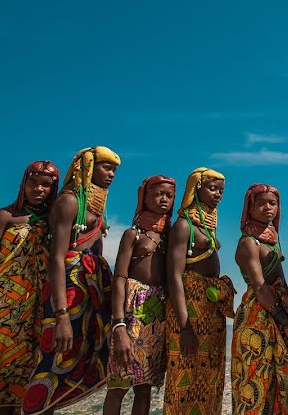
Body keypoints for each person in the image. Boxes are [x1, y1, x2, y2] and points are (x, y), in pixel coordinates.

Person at [24, 146, 120, 414]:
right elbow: (57, 258)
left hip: (89, 296)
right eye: (106, 166)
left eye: (114, 169)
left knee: (76, 360)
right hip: (65, 295)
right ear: (88, 166)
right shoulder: (69, 202)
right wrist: (62, 315)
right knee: (52, 361)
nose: (111, 174)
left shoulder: (94, 209)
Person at [164, 168, 235, 415]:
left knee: (209, 378)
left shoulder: (205, 227)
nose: (217, 195)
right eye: (212, 188)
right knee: (184, 377)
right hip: (189, 312)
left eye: (221, 190)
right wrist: (184, 327)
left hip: (209, 312)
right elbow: (174, 276)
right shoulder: (184, 226)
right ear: (196, 189)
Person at [232, 184, 288, 414]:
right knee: (255, 381)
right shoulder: (248, 243)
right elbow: (259, 286)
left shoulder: (271, 241)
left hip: (275, 316)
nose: (268, 208)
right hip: (257, 318)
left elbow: (281, 281)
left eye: (272, 203)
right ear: (250, 207)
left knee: (277, 382)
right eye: (261, 203)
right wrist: (286, 321)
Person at [104, 175, 176, 415]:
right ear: (144, 197)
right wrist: (119, 325)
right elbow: (119, 278)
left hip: (157, 316)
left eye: (169, 195)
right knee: (118, 384)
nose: (164, 199)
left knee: (144, 387)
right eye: (158, 194)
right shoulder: (132, 234)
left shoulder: (170, 237)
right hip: (131, 312)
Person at [0, 161, 59, 414]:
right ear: (24, 184)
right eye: (33, 183)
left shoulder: (54, 222)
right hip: (7, 302)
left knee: (34, 362)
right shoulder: (6, 216)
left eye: (45, 185)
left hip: (39, 303)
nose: (38, 189)